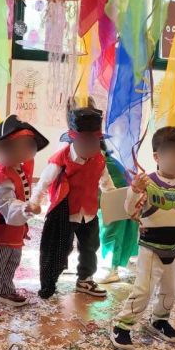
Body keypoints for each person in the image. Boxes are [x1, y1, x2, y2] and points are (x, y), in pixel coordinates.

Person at [110, 127, 175, 349]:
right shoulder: (147, 183)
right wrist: (134, 191)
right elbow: (131, 211)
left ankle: (160, 320)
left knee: (171, 289)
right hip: (151, 246)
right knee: (143, 290)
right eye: (173, 153)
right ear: (157, 156)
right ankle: (122, 325)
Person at [31, 107, 116, 300]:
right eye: (85, 142)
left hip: (89, 212)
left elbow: (107, 185)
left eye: (94, 142)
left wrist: (116, 203)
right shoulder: (61, 159)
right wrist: (35, 202)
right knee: (60, 248)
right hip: (65, 213)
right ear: (74, 139)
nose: (90, 147)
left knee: (90, 247)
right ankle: (50, 281)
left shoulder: (99, 160)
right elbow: (44, 182)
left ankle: (85, 279)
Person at [0, 115, 48, 323]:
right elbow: (4, 202)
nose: (25, 151)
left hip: (15, 227)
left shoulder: (20, 167)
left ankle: (4, 289)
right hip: (0, 228)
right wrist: (25, 207)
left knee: (11, 261)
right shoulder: (3, 173)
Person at [96, 145, 140, 285]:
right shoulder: (103, 157)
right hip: (112, 196)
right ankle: (109, 265)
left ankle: (112, 268)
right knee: (109, 231)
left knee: (113, 232)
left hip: (118, 197)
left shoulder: (104, 161)